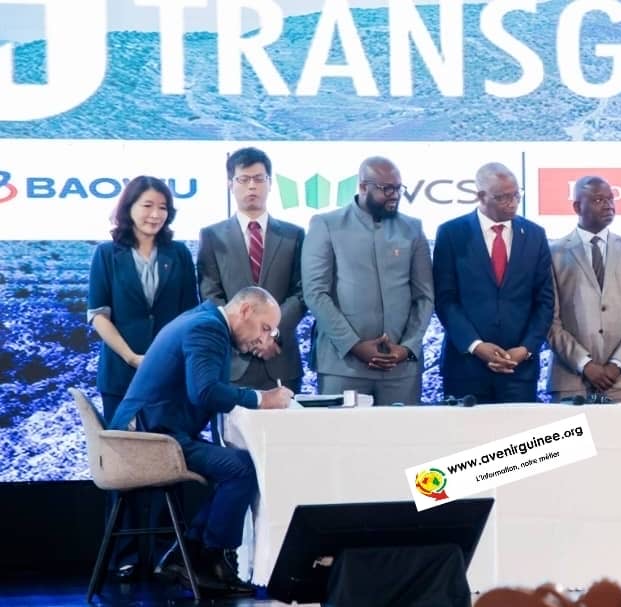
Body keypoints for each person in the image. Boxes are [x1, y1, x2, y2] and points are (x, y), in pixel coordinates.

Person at [109, 288, 293, 595]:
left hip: (156, 432)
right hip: (148, 439)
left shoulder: (204, 320)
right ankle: (210, 560)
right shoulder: (207, 329)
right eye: (264, 328)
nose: (264, 340)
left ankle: (188, 556)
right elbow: (205, 392)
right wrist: (262, 399)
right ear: (245, 310)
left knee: (237, 465)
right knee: (242, 468)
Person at [87, 175, 199, 580]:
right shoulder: (107, 254)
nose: (155, 214)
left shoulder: (179, 254)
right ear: (129, 208)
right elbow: (98, 315)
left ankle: (172, 556)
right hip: (122, 375)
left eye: (162, 207)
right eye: (147, 205)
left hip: (171, 378)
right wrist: (132, 356)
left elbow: (190, 315)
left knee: (171, 459)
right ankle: (127, 555)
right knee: (127, 464)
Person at [302, 156, 434, 405]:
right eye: (387, 189)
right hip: (343, 366)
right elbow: (315, 293)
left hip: (401, 369)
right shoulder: (327, 225)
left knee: (406, 432)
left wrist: (407, 348)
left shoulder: (412, 229)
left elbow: (425, 296)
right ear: (363, 187)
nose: (395, 195)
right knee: (341, 432)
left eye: (399, 188)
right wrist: (353, 345)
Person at [433, 162, 554, 403]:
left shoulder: (535, 235)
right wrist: (476, 346)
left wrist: (526, 349)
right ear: (481, 196)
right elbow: (445, 299)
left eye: (516, 195)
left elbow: (544, 300)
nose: (512, 203)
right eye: (502, 197)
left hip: (518, 371)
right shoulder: (451, 233)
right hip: (466, 369)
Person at [197, 147, 306, 393]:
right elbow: (210, 295)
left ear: (270, 183)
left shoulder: (294, 235)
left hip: (280, 358)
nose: (252, 186)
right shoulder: (212, 236)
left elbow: (301, 293)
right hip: (233, 362)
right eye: (243, 179)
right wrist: (246, 337)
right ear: (230, 184)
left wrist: (271, 334)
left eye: (258, 179)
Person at [547, 176, 621, 402]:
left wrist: (618, 364)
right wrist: (584, 364)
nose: (608, 205)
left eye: (610, 199)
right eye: (598, 200)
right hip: (571, 382)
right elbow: (550, 321)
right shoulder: (554, 254)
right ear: (577, 207)